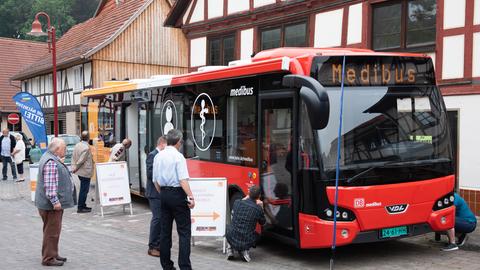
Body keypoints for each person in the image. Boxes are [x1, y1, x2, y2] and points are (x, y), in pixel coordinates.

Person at [153, 129, 195, 270]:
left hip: (164, 194)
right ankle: (184, 266)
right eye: (181, 142)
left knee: (165, 233)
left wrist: (163, 193)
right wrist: (191, 197)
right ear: (178, 142)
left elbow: (156, 181)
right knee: (184, 232)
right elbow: (183, 180)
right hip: (177, 195)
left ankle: (166, 265)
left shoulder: (158, 156)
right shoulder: (179, 157)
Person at [34, 138, 75, 266]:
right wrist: (55, 202)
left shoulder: (49, 157)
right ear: (57, 150)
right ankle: (48, 259)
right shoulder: (51, 162)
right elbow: (50, 187)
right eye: (64, 148)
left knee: (51, 231)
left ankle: (53, 253)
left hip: (48, 204)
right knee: (51, 232)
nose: (66, 150)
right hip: (51, 206)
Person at [226, 185, 266, 262]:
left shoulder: (237, 202)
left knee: (228, 227)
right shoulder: (258, 209)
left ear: (248, 193)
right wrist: (262, 207)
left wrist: (245, 197)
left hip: (232, 236)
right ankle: (244, 250)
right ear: (259, 196)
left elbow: (232, 216)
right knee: (256, 235)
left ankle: (230, 250)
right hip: (247, 240)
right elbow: (263, 223)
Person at [146, 136, 167, 257]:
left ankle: (159, 244)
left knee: (161, 219)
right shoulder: (152, 155)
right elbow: (150, 174)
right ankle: (152, 246)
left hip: (160, 192)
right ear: (162, 144)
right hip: (154, 193)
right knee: (157, 218)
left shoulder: (161, 156)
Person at [72, 131, 94, 213]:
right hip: (85, 172)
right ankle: (81, 207)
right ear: (88, 138)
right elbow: (81, 160)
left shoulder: (77, 145)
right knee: (84, 190)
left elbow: (73, 157)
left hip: (80, 172)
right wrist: (75, 168)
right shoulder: (86, 147)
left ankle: (83, 205)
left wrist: (74, 167)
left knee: (83, 189)